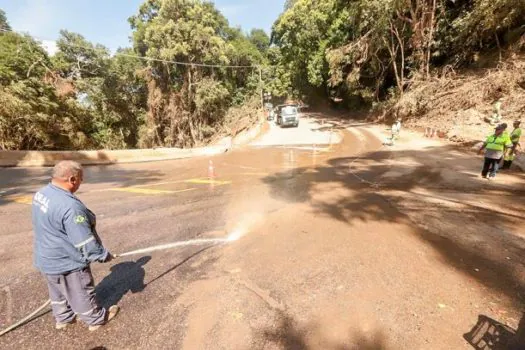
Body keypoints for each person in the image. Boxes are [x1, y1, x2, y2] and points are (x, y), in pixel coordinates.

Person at [32, 160, 119, 331]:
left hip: (46, 258)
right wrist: (102, 255)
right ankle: (95, 319)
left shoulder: (41, 193)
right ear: (72, 179)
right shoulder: (70, 207)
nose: (81, 182)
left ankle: (63, 319)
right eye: (80, 179)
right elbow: (84, 241)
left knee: (58, 289)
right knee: (80, 290)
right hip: (66, 261)